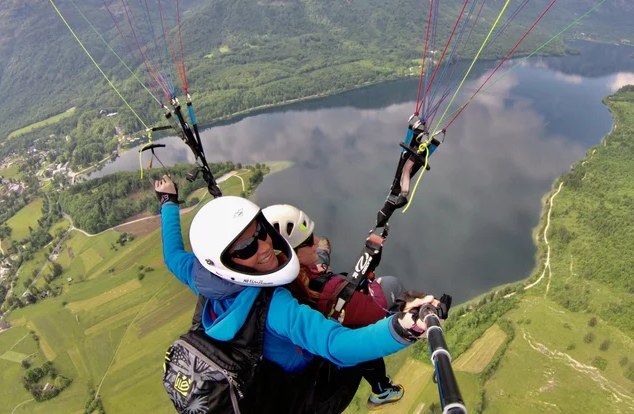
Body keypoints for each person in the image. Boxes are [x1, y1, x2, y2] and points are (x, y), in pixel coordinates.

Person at [155, 176, 439, 413]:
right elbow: (337, 345)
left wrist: (168, 202)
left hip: (258, 381)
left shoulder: (205, 278)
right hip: (309, 391)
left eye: (260, 233)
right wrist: (405, 327)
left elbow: (172, 255)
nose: (264, 247)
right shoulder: (275, 308)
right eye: (246, 248)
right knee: (362, 320)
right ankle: (381, 389)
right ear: (224, 262)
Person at [263, 204, 405, 410]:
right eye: (309, 241)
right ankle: (381, 389)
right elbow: (371, 312)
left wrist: (320, 258)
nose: (316, 241)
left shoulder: (283, 283)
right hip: (322, 385)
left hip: (294, 379)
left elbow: (319, 252)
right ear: (292, 254)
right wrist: (406, 329)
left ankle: (380, 387)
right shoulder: (325, 293)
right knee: (390, 287)